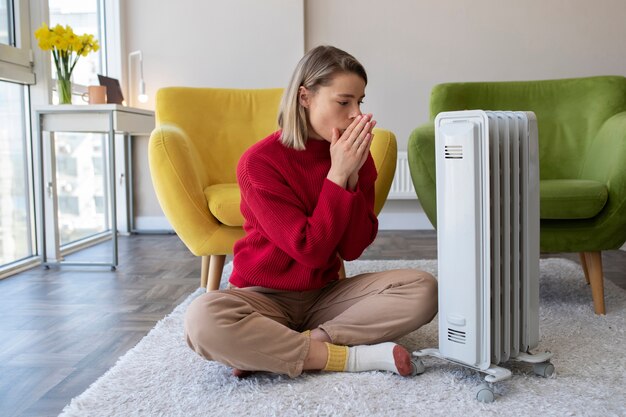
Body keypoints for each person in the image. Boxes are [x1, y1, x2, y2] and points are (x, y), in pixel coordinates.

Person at [185, 45, 437, 378]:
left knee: (424, 288)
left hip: (325, 296)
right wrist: (337, 176)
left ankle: (292, 347)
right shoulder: (259, 162)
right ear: (305, 97)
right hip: (263, 298)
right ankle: (351, 358)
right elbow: (310, 250)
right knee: (203, 318)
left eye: (360, 102)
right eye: (344, 102)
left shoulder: (356, 156)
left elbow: (351, 249)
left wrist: (350, 176)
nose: (356, 115)